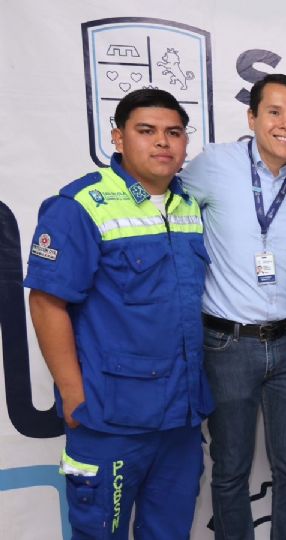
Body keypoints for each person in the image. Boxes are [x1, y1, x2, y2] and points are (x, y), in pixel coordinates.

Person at [25, 88, 213, 538]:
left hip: (180, 421)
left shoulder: (189, 206)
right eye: (146, 131)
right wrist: (73, 395)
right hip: (110, 419)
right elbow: (47, 302)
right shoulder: (82, 205)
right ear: (118, 138)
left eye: (174, 132)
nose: (162, 143)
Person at [180, 73, 286, 540]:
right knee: (229, 466)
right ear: (252, 117)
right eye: (274, 112)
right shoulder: (214, 164)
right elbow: (168, 211)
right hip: (227, 343)